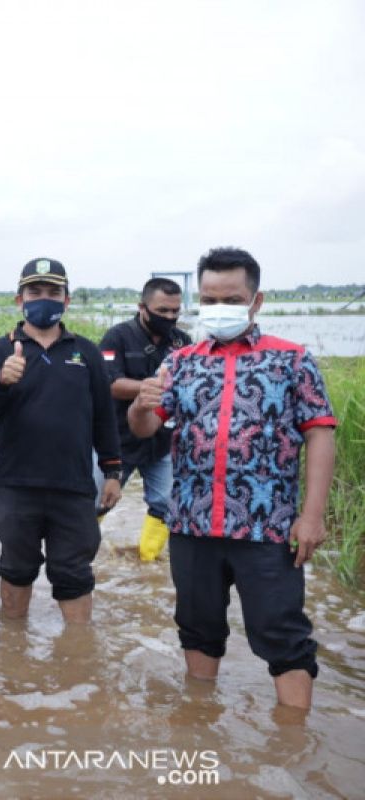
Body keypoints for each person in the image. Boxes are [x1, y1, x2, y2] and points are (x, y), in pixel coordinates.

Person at [129, 247, 336, 710]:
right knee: (198, 629)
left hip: (267, 528)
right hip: (192, 524)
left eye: (231, 298)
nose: (218, 308)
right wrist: (140, 403)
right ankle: (201, 722)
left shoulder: (292, 361)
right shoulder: (181, 361)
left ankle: (292, 745)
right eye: (209, 299)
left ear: (255, 300)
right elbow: (143, 427)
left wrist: (313, 516)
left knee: (283, 635)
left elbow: (320, 434)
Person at [0, 258, 122, 624]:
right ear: (19, 299)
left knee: (74, 574)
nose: (44, 299)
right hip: (15, 485)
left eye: (53, 292)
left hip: (73, 485)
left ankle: (78, 655)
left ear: (67, 300)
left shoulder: (86, 352)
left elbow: (105, 415)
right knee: (15, 567)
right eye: (35, 292)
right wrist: (2, 381)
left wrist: (113, 471)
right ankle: (13, 646)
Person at [97, 277, 190, 561]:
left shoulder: (182, 342)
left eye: (175, 311)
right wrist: (151, 387)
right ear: (142, 307)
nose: (170, 317)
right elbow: (109, 384)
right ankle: (83, 558)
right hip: (117, 441)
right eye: (163, 311)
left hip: (162, 441)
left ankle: (147, 563)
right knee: (98, 503)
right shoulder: (117, 337)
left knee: (165, 505)